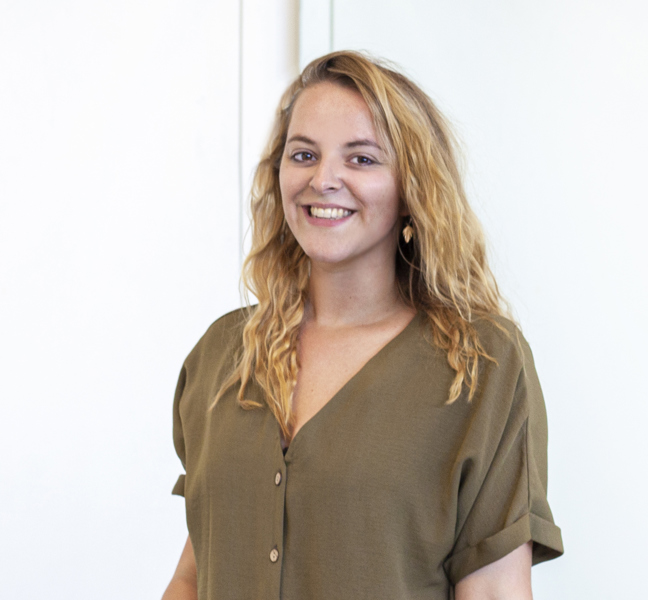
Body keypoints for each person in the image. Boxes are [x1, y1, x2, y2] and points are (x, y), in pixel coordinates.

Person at [163, 50, 563, 600]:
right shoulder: (221, 356)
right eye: (303, 154)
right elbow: (191, 578)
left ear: (411, 189)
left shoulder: (478, 365)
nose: (323, 180)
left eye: (362, 159)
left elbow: (495, 593)